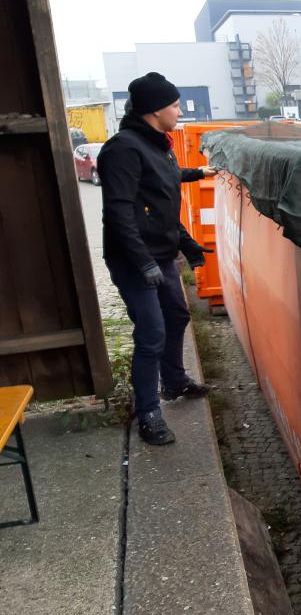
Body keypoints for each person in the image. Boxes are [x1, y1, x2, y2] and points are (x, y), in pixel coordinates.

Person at [98, 72, 218, 446]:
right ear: (154, 110)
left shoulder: (157, 145)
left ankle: (175, 381)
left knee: (177, 316)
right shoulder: (122, 150)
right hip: (133, 259)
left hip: (161, 255)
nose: (180, 111)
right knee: (151, 333)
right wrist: (143, 262)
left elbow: (163, 189)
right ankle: (148, 412)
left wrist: (187, 243)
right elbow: (119, 212)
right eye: (175, 105)